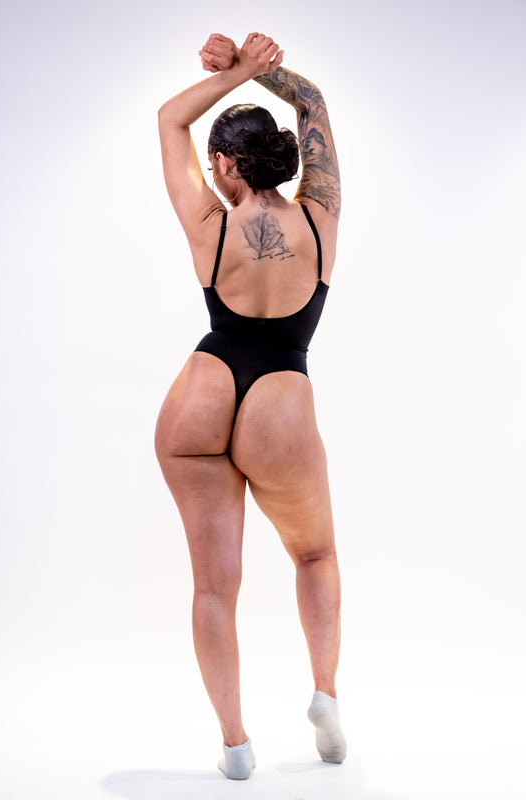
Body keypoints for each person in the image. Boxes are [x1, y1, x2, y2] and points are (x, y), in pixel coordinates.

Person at [155, 32, 346, 780]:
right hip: (280, 398)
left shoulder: (209, 223)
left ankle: (235, 745)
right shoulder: (320, 215)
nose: (211, 172)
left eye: (214, 164)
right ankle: (325, 696)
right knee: (314, 554)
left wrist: (233, 70)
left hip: (202, 390)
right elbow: (312, 102)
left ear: (226, 165)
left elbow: (170, 118)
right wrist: (264, 70)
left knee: (213, 586)